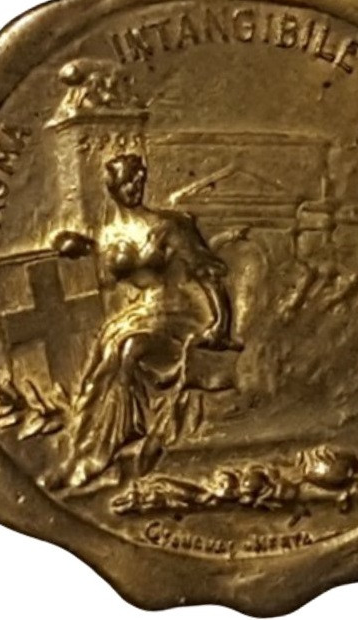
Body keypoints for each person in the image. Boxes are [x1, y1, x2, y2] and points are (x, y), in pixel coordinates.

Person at [51, 153, 236, 489]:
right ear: (112, 187)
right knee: (109, 354)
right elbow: (110, 275)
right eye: (126, 182)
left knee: (129, 349)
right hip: (142, 314)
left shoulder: (170, 226)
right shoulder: (110, 234)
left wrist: (222, 322)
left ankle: (97, 456)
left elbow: (207, 276)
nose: (134, 188)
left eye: (138, 180)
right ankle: (85, 448)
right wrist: (81, 247)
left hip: (182, 315)